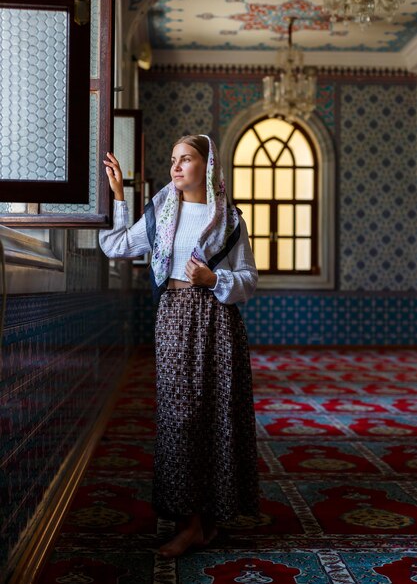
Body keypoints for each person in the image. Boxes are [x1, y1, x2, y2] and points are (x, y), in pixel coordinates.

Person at [99, 134, 259, 558]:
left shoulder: (229, 220)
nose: (175, 166)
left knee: (215, 416)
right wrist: (118, 196)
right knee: (180, 417)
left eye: (185, 159)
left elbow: (249, 280)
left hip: (218, 323)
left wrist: (214, 280)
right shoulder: (161, 213)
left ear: (207, 166)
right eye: (173, 159)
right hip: (173, 320)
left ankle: (207, 521)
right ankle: (187, 521)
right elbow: (115, 246)